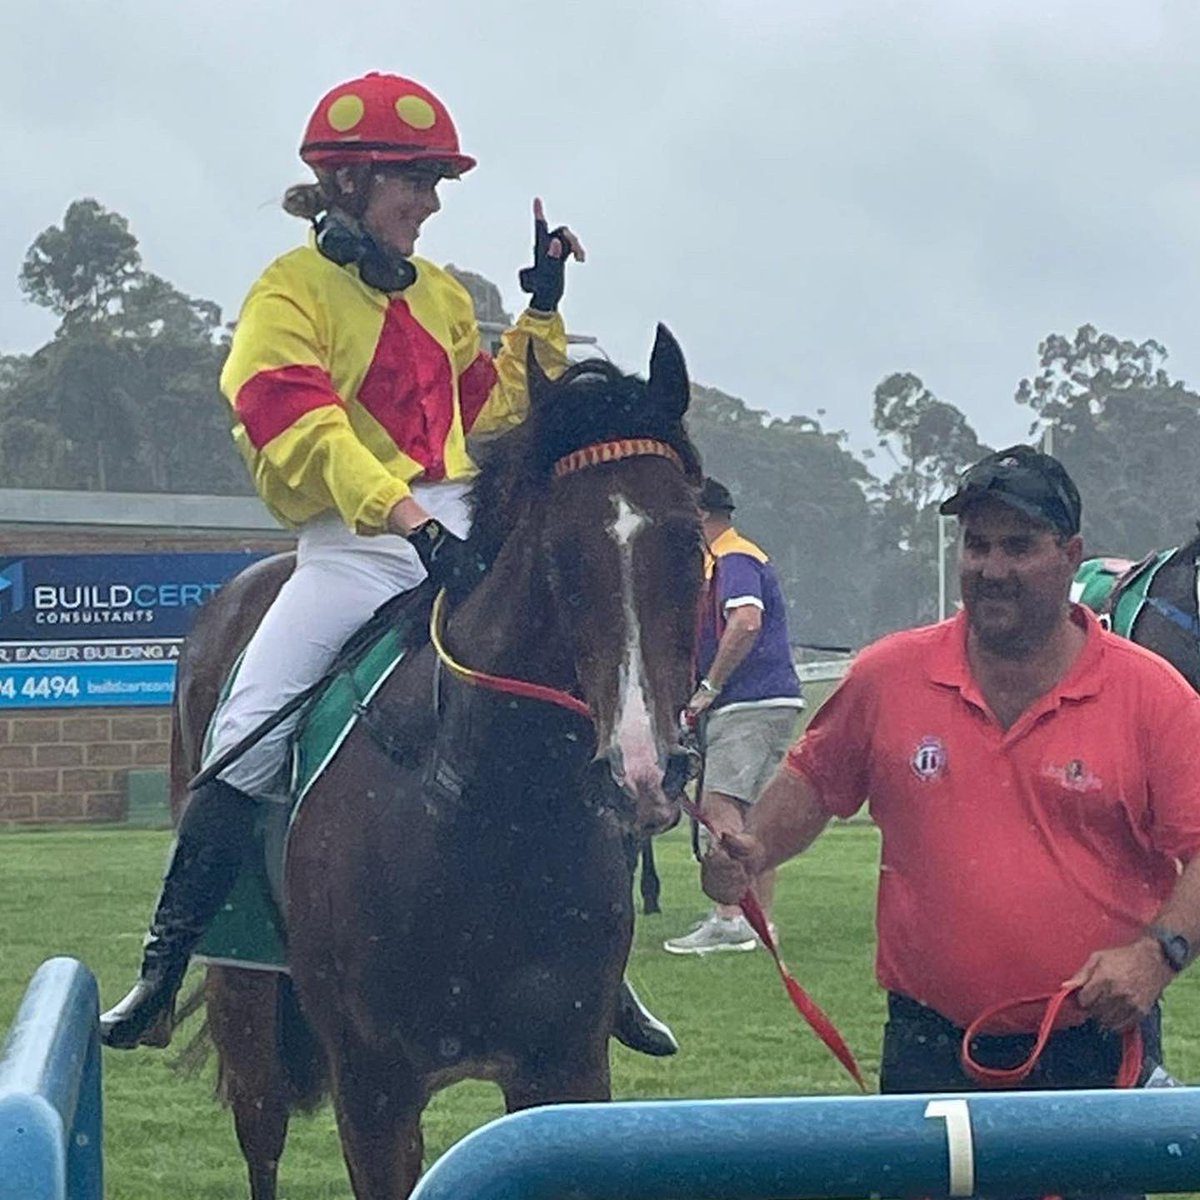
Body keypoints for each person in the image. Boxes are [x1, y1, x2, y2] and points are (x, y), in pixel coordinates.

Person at [100, 69, 674, 1059]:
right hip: (353, 548)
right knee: (241, 736)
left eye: (437, 183)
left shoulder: (444, 296)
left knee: (570, 701)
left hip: (454, 530)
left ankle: (603, 975)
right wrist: (406, 521)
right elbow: (302, 425)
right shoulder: (286, 295)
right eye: (417, 181)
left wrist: (539, 307)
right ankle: (166, 966)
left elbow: (491, 408)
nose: (432, 203)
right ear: (352, 182)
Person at [703, 446, 1200, 1119]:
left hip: (1093, 1050)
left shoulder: (1150, 695)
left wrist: (1157, 955)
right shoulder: (891, 675)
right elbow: (815, 780)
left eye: (1019, 547)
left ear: (1069, 552)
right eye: (978, 546)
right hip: (929, 1048)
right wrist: (750, 850)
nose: (992, 569)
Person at [664, 477, 805, 955]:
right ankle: (759, 924)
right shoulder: (726, 558)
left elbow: (746, 620)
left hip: (746, 702)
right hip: (767, 700)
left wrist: (708, 688)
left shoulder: (733, 557)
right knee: (752, 822)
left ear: (700, 515)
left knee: (720, 805)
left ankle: (730, 920)